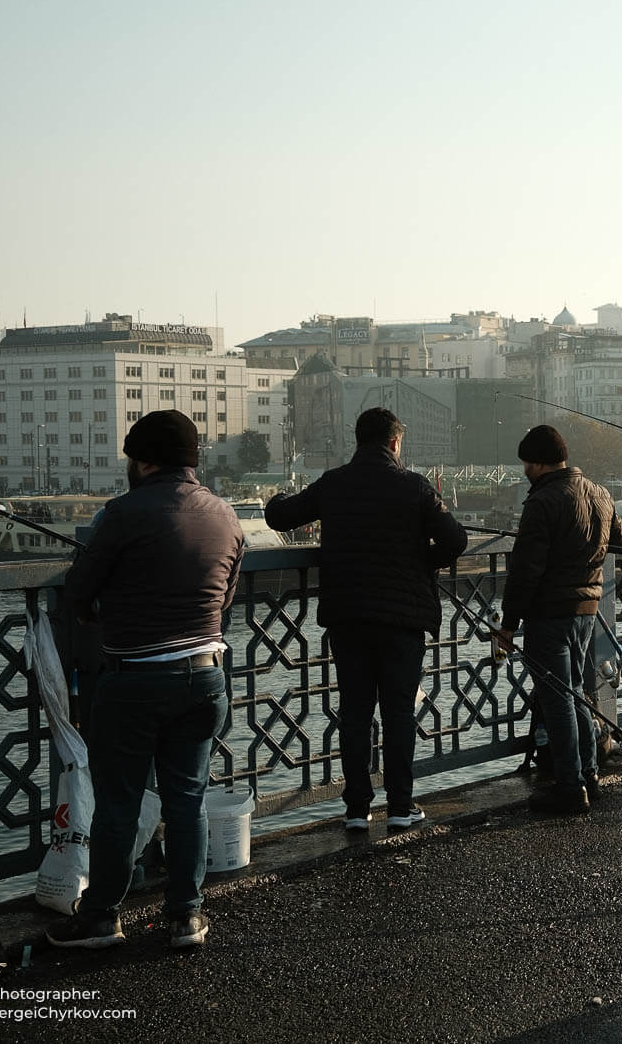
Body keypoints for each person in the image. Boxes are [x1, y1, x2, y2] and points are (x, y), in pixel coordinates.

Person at [49, 410, 244, 950]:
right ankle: (185, 915)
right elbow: (224, 602)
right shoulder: (228, 517)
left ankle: (102, 918)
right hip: (206, 678)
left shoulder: (122, 513)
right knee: (187, 800)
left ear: (143, 460)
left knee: (119, 804)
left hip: (133, 680)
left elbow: (79, 593)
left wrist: (100, 614)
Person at [265, 407, 467, 830]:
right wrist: (423, 563)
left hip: (349, 616)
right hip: (401, 620)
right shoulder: (414, 486)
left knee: (355, 713)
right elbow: (455, 539)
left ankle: (357, 809)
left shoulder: (334, 483)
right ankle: (399, 807)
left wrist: (277, 496)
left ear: (357, 441)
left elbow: (280, 516)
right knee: (397, 714)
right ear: (395, 443)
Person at [493, 424, 622, 814]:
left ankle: (570, 788)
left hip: (550, 614)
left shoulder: (543, 501)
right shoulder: (600, 494)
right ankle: (589, 777)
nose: (524, 472)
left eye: (526, 465)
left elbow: (526, 570)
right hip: (587, 611)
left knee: (558, 701)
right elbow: (620, 541)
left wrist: (509, 624)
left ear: (539, 463)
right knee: (577, 695)